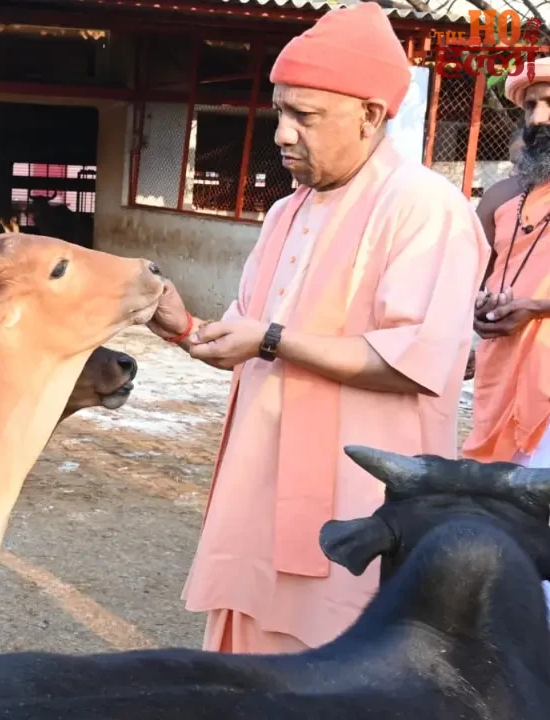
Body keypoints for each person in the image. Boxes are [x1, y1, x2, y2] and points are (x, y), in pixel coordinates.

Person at [146, 2, 488, 654]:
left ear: (370, 115)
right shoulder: (284, 213)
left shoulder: (423, 206)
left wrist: (270, 339)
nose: (281, 133)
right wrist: (183, 324)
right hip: (261, 488)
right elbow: (246, 344)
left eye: (305, 115)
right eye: (280, 111)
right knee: (250, 678)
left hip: (357, 505)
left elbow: (415, 361)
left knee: (340, 667)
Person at [464, 57, 550, 469]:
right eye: (531, 106)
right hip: (499, 375)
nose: (539, 119)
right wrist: (478, 311)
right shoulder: (500, 197)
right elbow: (471, 281)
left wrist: (536, 308)